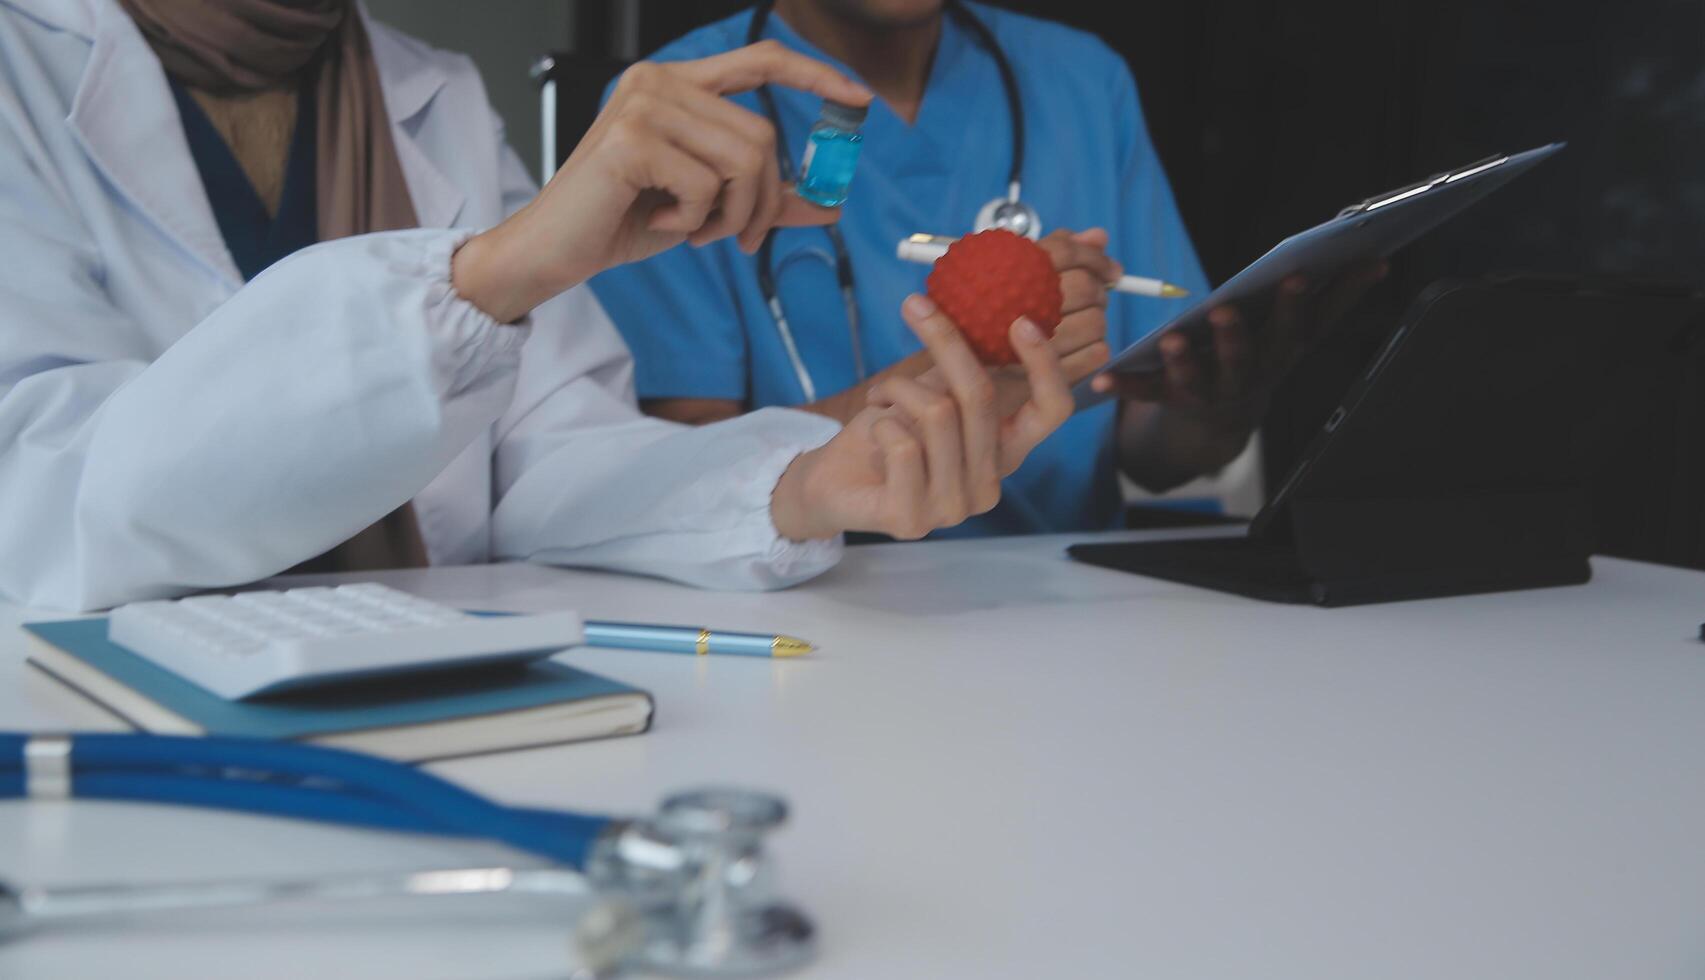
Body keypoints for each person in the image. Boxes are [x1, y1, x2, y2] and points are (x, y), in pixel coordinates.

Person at [0, 0, 1076, 611]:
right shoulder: (20, 75)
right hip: (107, 745)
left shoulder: (435, 93)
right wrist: (486, 278)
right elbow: (46, 507)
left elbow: (553, 459)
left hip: (436, 707)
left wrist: (801, 481)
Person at [591, 0, 1384, 537]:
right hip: (811, 612)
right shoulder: (675, 114)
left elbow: (1152, 446)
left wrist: (1218, 407)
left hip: (1062, 608)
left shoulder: (1081, 82)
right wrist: (951, 379)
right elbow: (672, 490)